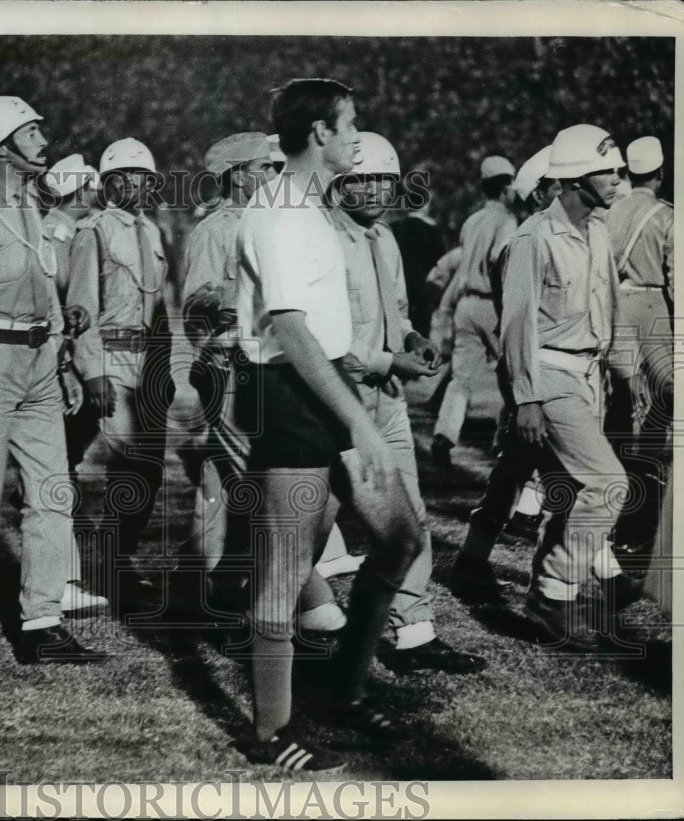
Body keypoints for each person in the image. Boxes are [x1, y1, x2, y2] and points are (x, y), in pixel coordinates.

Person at [234, 78, 426, 771]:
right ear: (318, 133)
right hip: (288, 391)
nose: (356, 137)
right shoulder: (279, 211)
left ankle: (343, 691)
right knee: (284, 571)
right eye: (349, 126)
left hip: (331, 383)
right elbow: (288, 329)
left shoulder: (312, 206)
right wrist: (358, 420)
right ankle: (272, 732)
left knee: (401, 535)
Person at [329, 132, 485, 673]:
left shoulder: (385, 240)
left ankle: (413, 633)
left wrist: (413, 340)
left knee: (410, 520)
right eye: (361, 178)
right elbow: (321, 339)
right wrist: (387, 361)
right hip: (336, 403)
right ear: (339, 182)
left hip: (386, 401)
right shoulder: (323, 240)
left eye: (382, 179)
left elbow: (397, 312)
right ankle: (287, 619)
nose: (373, 190)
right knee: (303, 529)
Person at [179, 131, 345, 632]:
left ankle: (223, 586)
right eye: (261, 168)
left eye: (274, 168)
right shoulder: (216, 230)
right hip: (228, 365)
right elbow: (195, 305)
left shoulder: (270, 221)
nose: (272, 176)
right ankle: (254, 595)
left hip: (260, 368)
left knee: (249, 484)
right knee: (242, 482)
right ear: (236, 177)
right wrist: (229, 302)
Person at [0, 96, 106, 661]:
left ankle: (41, 622)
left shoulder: (29, 202)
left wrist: (62, 355)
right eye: (31, 132)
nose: (44, 140)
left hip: (40, 362)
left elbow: (42, 284)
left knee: (52, 491)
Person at [501, 124, 639, 651]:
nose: (618, 180)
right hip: (548, 373)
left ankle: (546, 599)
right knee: (608, 484)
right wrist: (526, 397)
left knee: (571, 493)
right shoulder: (533, 237)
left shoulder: (599, 232)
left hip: (590, 375)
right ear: (577, 177)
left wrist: (624, 376)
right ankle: (554, 594)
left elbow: (612, 312)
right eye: (609, 170)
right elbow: (517, 324)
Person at [447, 145, 560, 603]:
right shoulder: (525, 238)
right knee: (551, 473)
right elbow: (518, 316)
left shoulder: (552, 236)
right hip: (535, 369)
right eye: (558, 186)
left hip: (547, 369)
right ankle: (575, 580)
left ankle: (473, 561)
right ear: (537, 194)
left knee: (515, 471)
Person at [66, 137, 174, 592]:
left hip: (148, 360)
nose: (134, 185)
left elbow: (161, 305)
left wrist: (165, 367)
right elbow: (82, 305)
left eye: (142, 177)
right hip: (110, 356)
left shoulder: (152, 233)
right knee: (121, 461)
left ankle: (119, 558)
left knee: (145, 470)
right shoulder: (94, 231)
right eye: (123, 177)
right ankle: (101, 567)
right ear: (108, 185)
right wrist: (93, 370)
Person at [39, 153, 109, 613]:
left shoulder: (45, 228)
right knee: (55, 475)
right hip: (60, 369)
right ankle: (59, 578)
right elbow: (75, 314)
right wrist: (83, 374)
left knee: (53, 473)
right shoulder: (73, 235)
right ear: (81, 191)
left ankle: (60, 576)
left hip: (47, 364)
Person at [605, 136, 674, 568]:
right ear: (661, 172)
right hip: (653, 310)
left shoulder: (611, 211)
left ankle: (613, 523)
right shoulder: (666, 216)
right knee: (659, 418)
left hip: (615, 308)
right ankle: (639, 526)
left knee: (619, 412)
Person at [430, 155, 517, 467]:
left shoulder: (471, 221)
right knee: (513, 374)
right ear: (507, 186)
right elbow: (498, 261)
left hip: (465, 304)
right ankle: (505, 440)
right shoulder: (507, 221)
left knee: (461, 378)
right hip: (492, 303)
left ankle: (445, 434)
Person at [391, 166, 447, 337]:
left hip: (400, 286)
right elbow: (440, 262)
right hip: (424, 288)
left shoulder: (396, 227)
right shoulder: (432, 231)